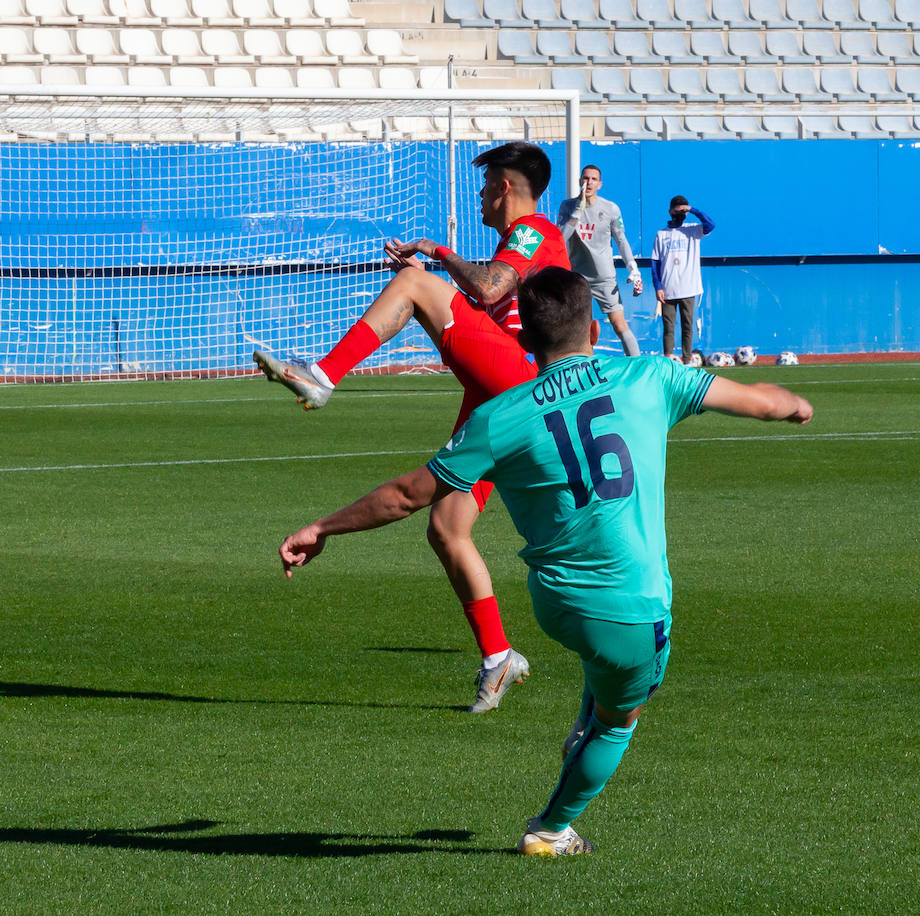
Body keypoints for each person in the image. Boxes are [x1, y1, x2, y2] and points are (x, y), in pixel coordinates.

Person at [277, 266, 813, 856]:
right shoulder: (651, 376)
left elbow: (406, 496)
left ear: (525, 342)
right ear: (594, 328)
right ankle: (552, 829)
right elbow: (768, 403)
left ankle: (583, 718)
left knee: (600, 658)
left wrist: (322, 526)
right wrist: (796, 407)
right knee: (620, 717)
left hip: (554, 602)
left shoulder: (498, 416)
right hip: (631, 606)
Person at [252, 141, 571, 714]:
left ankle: (323, 377)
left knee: (418, 285)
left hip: (523, 381)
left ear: (504, 187)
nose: (478, 195)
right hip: (499, 394)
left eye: (484, 185)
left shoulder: (533, 232)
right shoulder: (524, 242)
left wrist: (438, 255)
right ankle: (499, 658)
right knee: (447, 529)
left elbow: (492, 287)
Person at [556, 164, 644, 357]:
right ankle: (585, 371)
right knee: (580, 331)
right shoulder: (567, 206)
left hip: (604, 277)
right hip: (577, 278)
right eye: (585, 178)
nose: (589, 182)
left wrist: (633, 269)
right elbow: (560, 239)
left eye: (593, 179)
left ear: (600, 184)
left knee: (619, 325)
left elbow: (621, 240)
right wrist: (576, 213)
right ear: (580, 181)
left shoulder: (611, 209)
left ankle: (638, 368)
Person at [650, 195, 714, 361]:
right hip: (668, 289)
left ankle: (686, 359)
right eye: (677, 209)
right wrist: (658, 287)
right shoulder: (661, 234)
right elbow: (655, 262)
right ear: (670, 211)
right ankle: (668, 358)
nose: (679, 212)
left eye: (682, 209)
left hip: (688, 287)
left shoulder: (693, 230)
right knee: (668, 327)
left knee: (687, 326)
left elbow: (710, 225)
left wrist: (692, 210)